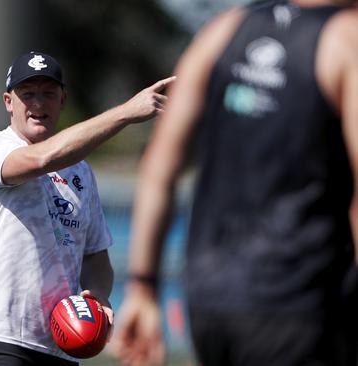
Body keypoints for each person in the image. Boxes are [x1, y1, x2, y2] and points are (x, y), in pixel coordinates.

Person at [112, 0, 358, 365]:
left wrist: (143, 288)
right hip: (302, 304)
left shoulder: (223, 30)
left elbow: (159, 167)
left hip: (211, 305)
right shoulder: (346, 39)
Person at [0, 50, 174, 365]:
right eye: (27, 94)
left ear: (63, 100)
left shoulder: (81, 171)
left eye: (48, 94)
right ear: (8, 102)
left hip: (62, 345)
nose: (38, 104)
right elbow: (41, 159)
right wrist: (124, 113)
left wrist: (98, 293)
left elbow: (96, 255)